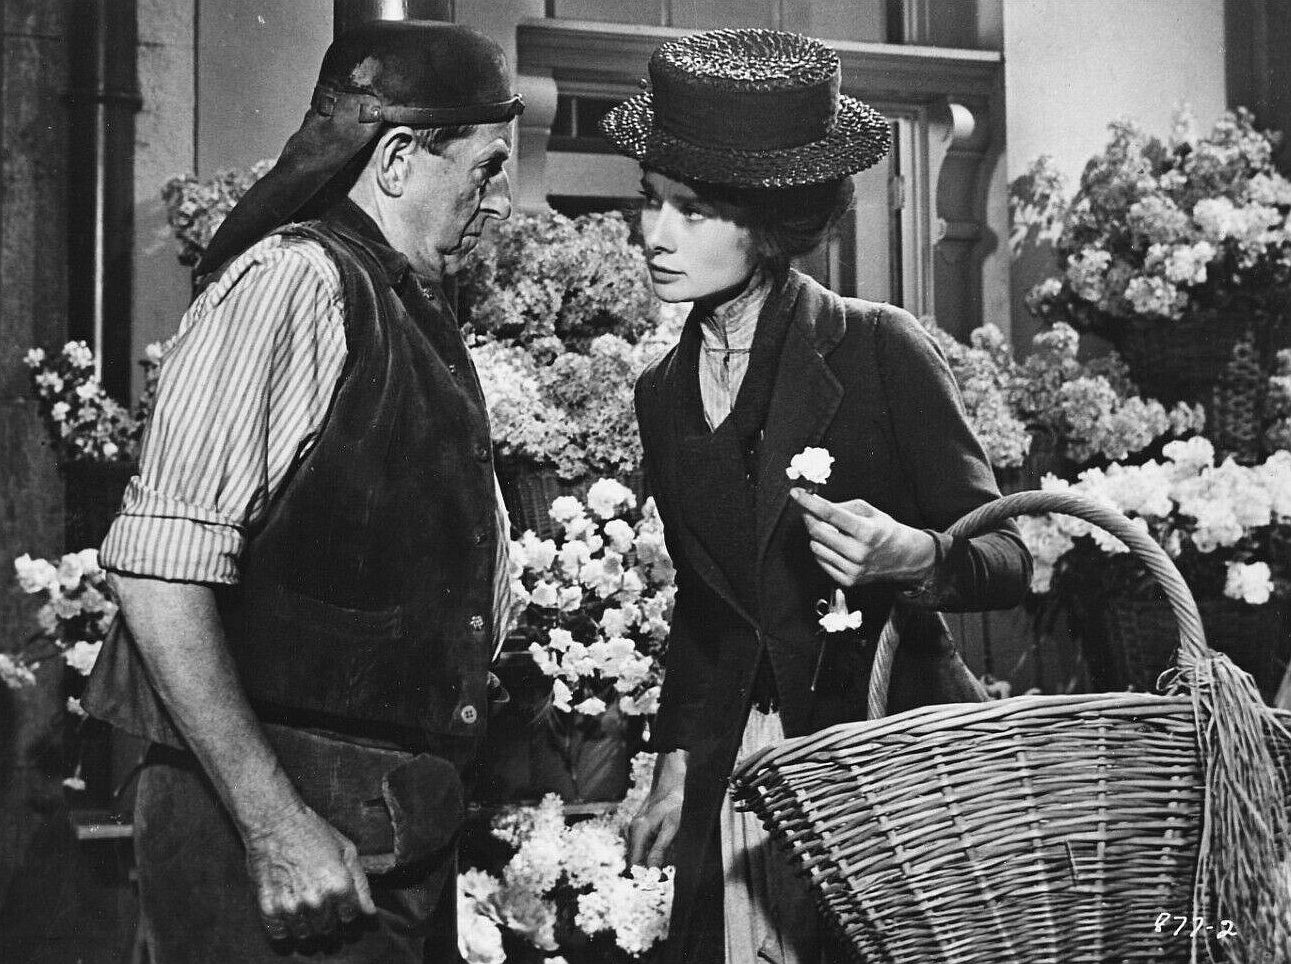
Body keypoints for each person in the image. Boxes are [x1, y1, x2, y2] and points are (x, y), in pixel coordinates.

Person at [82, 20, 524, 963]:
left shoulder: (403, 303)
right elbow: (160, 576)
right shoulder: (292, 283)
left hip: (377, 820)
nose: (498, 200)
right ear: (397, 159)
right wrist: (275, 824)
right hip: (287, 832)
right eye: (486, 168)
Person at [599, 28, 1033, 964]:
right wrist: (675, 761)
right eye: (650, 199)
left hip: (877, 763)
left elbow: (1010, 557)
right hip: (737, 768)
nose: (654, 234)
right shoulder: (660, 393)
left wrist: (913, 555)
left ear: (770, 221)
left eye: (692, 210)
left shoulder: (879, 348)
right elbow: (707, 606)